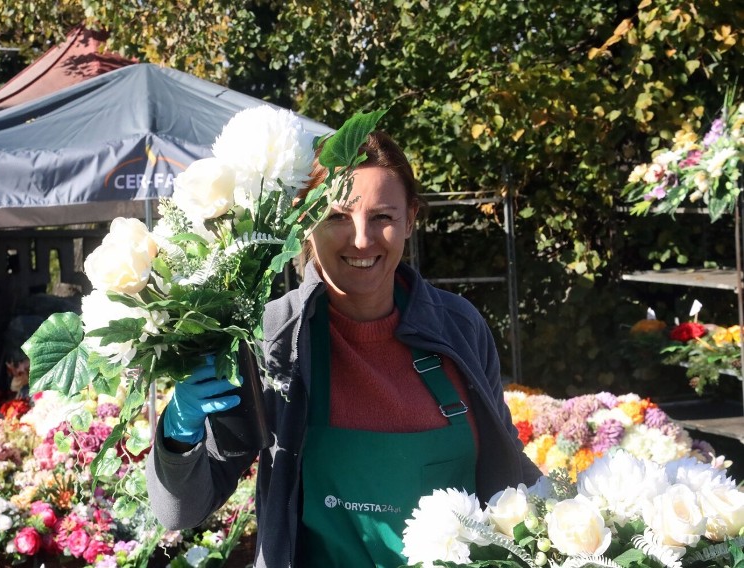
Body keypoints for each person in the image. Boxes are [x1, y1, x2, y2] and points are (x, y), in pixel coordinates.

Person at [146, 131, 542, 567]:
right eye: (337, 216)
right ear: (304, 222)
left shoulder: (460, 328)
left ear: (410, 219)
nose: (361, 239)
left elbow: (508, 469)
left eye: (382, 217)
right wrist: (178, 436)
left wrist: (577, 525)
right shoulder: (271, 339)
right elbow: (182, 509)